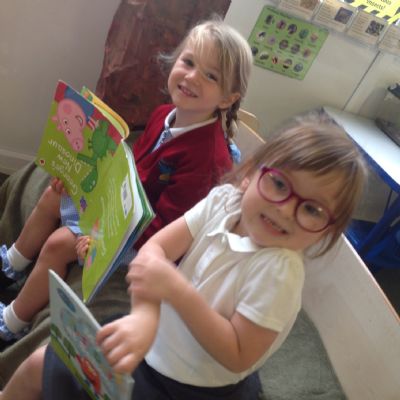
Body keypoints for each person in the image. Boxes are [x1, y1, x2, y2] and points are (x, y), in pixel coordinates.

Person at [0, 109, 367, 400]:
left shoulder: (280, 272)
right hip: (152, 335)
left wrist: (174, 290)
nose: (285, 209)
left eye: (313, 209)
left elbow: (238, 353)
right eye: (279, 183)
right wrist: (145, 316)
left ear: (327, 231)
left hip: (188, 386)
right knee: (38, 365)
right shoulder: (223, 201)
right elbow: (155, 249)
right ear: (251, 174)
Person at [0, 18, 253, 343]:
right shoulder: (163, 114)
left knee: (58, 244)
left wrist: (105, 237)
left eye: (211, 76)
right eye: (188, 62)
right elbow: (132, 168)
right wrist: (91, 181)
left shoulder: (207, 157)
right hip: (120, 208)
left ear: (227, 99)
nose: (192, 77)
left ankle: (12, 321)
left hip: (142, 237)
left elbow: (169, 229)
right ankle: (12, 264)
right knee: (54, 194)